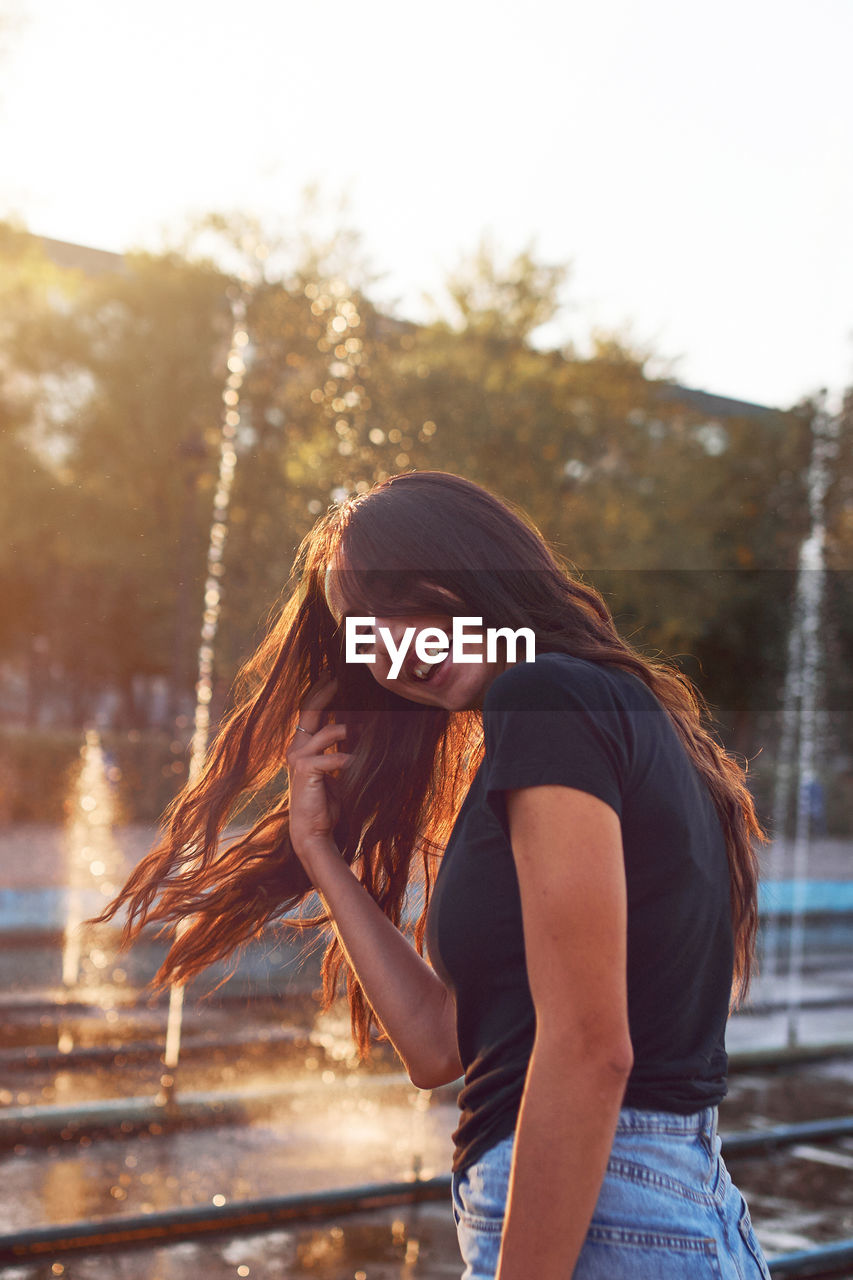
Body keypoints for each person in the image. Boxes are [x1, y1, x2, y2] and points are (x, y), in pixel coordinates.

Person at [101, 470, 772, 1279]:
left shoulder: (545, 695)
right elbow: (439, 1047)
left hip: (602, 1214)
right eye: (360, 636)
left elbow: (593, 1049)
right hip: (638, 1207)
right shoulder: (593, 713)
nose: (386, 655)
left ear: (466, 566)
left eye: (392, 609)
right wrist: (318, 851)